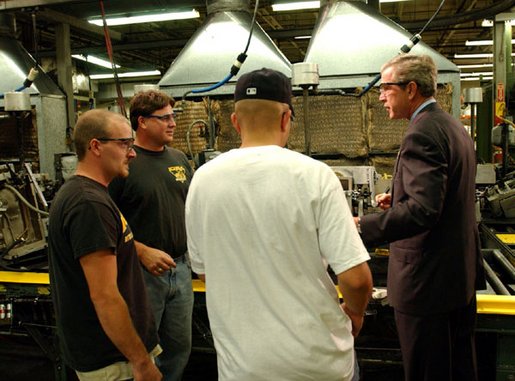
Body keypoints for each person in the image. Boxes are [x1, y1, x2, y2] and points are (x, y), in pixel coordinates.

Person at [185, 68, 373, 381]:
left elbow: (204, 269)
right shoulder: (315, 175)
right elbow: (355, 279)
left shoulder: (202, 180)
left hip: (242, 368)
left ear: (235, 120)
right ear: (286, 119)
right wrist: (354, 315)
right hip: (317, 363)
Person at [355, 54, 484, 381]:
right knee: (457, 369)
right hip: (456, 278)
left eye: (386, 88)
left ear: (411, 89)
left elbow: (424, 211)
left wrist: (362, 226)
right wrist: (397, 197)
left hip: (427, 286)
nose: (381, 96)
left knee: (428, 372)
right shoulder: (452, 125)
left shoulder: (421, 133)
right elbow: (446, 196)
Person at [48, 109, 162, 381]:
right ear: (96, 146)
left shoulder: (92, 194)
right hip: (114, 361)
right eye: (124, 144)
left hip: (116, 355)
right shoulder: (88, 204)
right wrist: (141, 362)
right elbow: (105, 296)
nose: (132, 153)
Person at [109, 90, 194, 381]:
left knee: (179, 349)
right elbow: (107, 220)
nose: (172, 123)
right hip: (141, 273)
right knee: (142, 350)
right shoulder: (124, 163)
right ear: (142, 122)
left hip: (180, 269)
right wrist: (140, 250)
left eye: (173, 116)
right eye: (165, 118)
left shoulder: (180, 159)